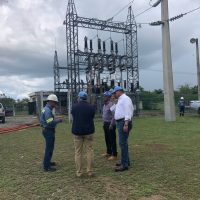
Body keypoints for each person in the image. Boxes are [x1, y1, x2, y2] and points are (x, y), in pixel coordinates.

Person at [71, 91, 95, 177]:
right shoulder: (91, 107)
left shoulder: (74, 107)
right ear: (86, 98)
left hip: (77, 132)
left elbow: (74, 116)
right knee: (90, 151)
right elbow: (92, 117)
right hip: (89, 132)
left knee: (78, 152)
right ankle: (90, 171)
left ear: (79, 98)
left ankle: (79, 172)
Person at [112, 86, 134, 172]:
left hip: (123, 122)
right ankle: (125, 161)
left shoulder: (125, 99)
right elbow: (114, 109)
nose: (114, 94)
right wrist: (114, 101)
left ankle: (124, 165)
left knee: (122, 143)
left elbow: (128, 111)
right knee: (123, 143)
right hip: (121, 122)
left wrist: (126, 123)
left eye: (115, 92)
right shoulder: (121, 99)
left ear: (119, 91)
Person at [40, 94, 63, 172]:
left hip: (46, 130)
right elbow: (50, 123)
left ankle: (47, 162)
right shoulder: (48, 111)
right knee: (49, 149)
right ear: (51, 101)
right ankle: (47, 166)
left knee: (49, 148)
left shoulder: (45, 109)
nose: (55, 104)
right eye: (55, 103)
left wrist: (55, 118)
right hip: (48, 130)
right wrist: (58, 120)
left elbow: (48, 120)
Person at [102, 91, 117, 161]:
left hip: (110, 124)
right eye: (104, 96)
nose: (104, 97)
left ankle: (114, 154)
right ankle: (108, 152)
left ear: (108, 97)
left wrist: (111, 124)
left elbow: (114, 115)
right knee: (107, 139)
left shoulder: (111, 105)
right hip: (105, 124)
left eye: (105, 96)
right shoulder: (104, 105)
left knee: (112, 139)